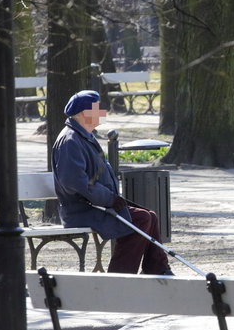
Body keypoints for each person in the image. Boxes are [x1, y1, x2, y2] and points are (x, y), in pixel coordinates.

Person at [52, 90, 173, 275]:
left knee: (150, 216)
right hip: (80, 211)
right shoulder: (70, 140)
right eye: (97, 108)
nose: (102, 112)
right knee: (141, 219)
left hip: (96, 207)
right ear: (84, 113)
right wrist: (109, 199)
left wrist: (110, 199)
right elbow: (75, 181)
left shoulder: (84, 136)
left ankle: (158, 269)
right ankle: (120, 276)